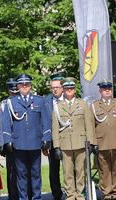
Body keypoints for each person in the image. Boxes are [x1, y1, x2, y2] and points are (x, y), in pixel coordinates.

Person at [2, 74, 51, 200]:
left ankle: (37, 197)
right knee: (21, 175)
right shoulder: (11, 102)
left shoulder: (39, 100)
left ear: (30, 85)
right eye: (22, 84)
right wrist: (7, 141)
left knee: (36, 174)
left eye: (27, 84)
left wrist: (47, 138)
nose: (25, 86)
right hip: (19, 143)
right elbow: (6, 123)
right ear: (18, 86)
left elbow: (45, 121)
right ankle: (23, 198)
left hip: (35, 142)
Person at [52, 77, 94, 200]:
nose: (69, 90)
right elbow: (55, 127)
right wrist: (56, 146)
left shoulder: (82, 104)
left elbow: (89, 124)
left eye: (71, 88)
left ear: (75, 90)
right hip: (65, 144)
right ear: (63, 90)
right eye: (67, 88)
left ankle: (80, 195)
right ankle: (70, 195)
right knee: (68, 172)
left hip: (81, 143)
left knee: (81, 171)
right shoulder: (58, 107)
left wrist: (90, 142)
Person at [91, 80, 116, 199]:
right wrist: (93, 143)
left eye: (109, 89)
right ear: (100, 91)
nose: (107, 91)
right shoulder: (94, 105)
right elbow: (91, 126)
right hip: (102, 142)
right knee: (104, 169)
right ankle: (107, 192)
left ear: (111, 90)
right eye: (104, 89)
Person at [0, 78, 20, 200]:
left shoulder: (24, 102)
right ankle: (13, 196)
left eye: (16, 92)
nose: (14, 94)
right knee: (11, 172)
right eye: (12, 92)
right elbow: (1, 124)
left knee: (24, 172)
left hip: (22, 142)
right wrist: (2, 143)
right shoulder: (4, 103)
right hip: (9, 142)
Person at [44, 72, 64, 200]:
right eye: (53, 87)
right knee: (53, 171)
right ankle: (56, 194)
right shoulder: (45, 101)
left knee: (71, 169)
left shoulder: (70, 99)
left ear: (62, 88)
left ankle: (72, 193)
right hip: (52, 141)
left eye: (57, 87)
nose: (55, 89)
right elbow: (43, 123)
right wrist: (44, 143)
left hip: (68, 139)